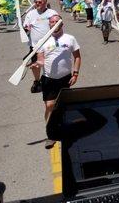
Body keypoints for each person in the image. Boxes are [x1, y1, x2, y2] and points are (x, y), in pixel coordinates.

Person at [30, 14, 81, 149]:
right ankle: (51, 135)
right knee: (49, 106)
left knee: (63, 107)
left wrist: (75, 74)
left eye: (56, 21)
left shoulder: (70, 39)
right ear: (49, 25)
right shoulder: (43, 41)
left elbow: (77, 57)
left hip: (65, 78)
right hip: (49, 79)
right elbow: (41, 59)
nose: (54, 24)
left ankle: (63, 129)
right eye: (51, 22)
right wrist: (37, 64)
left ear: (61, 24)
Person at [23, 0, 58, 94]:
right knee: (35, 65)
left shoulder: (52, 13)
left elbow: (58, 24)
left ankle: (50, 80)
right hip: (35, 46)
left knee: (50, 63)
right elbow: (26, 27)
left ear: (45, 3)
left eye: (40, 2)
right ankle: (37, 81)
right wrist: (26, 29)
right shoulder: (30, 14)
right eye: (36, 2)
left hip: (50, 44)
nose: (37, 4)